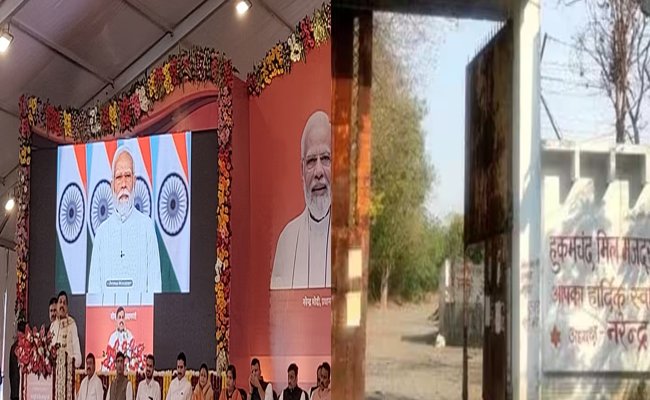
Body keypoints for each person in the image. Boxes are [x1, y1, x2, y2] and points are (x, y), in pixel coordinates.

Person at [271, 110, 332, 289]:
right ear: (302, 171)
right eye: (311, 161)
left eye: (326, 158)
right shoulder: (287, 240)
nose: (318, 172)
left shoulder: (352, 239)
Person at [88, 146, 161, 294]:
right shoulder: (101, 233)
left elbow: (155, 287)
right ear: (112, 185)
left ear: (134, 181)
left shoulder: (147, 228)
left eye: (127, 176)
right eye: (118, 177)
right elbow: (94, 290)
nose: (123, 184)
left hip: (141, 310)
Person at [49, 291, 82, 368]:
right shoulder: (52, 326)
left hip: (68, 369)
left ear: (67, 307)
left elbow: (78, 357)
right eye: (60, 302)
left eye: (64, 303)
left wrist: (68, 362)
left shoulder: (72, 324)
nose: (62, 305)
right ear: (57, 305)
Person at [10, 321, 26, 400]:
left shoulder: (14, 347)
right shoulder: (27, 346)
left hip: (15, 389)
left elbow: (11, 371)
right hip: (23, 387)